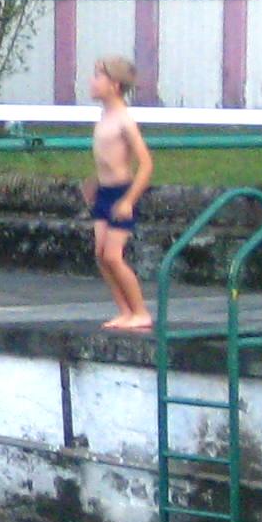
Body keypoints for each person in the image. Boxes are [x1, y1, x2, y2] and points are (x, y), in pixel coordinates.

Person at [86, 54, 154, 332]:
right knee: (101, 255)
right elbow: (106, 157)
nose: (92, 82)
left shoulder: (124, 120)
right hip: (104, 192)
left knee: (113, 256)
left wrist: (128, 200)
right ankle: (125, 311)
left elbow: (146, 164)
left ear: (114, 85)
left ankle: (140, 312)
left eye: (98, 77)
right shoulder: (104, 116)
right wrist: (95, 181)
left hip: (121, 194)